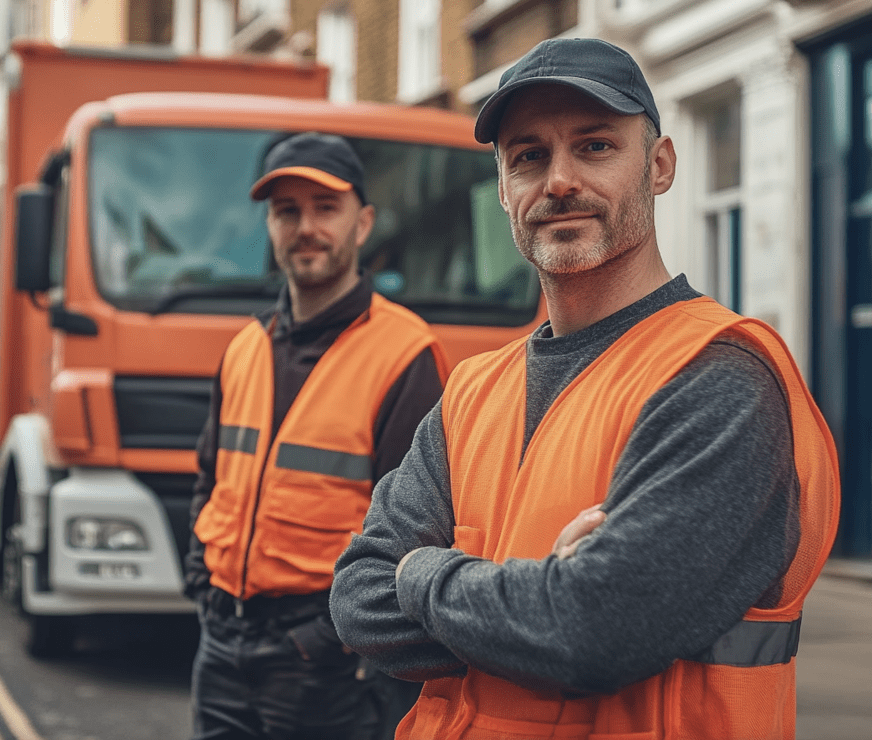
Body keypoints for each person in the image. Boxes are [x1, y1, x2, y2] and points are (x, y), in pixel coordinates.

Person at [329, 38, 840, 740]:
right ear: (503, 188)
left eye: (595, 147)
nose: (560, 181)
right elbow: (357, 597)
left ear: (659, 166)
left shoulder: (719, 378)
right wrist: (533, 594)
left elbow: (594, 629)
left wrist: (419, 571)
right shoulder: (472, 390)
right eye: (528, 156)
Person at [184, 132, 447, 740]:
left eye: (325, 208)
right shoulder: (244, 347)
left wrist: (327, 640)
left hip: (321, 663)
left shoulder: (405, 354)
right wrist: (200, 580)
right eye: (287, 211)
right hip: (221, 642)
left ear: (364, 223)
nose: (305, 228)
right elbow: (210, 480)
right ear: (270, 226)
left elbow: (419, 530)